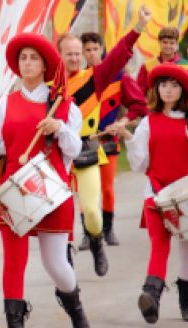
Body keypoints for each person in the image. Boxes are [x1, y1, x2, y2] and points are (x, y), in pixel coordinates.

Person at [0, 32, 90, 328]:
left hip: (51, 190)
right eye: (23, 57)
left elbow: (75, 149)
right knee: (13, 260)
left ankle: (74, 304)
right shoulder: (4, 104)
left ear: (45, 65)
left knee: (55, 264)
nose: (27, 63)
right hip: (14, 190)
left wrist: (60, 129)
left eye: (33, 57)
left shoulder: (63, 105)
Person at [123, 64, 188, 324]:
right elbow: (140, 165)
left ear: (183, 91)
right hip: (156, 194)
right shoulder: (147, 122)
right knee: (159, 244)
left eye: (175, 85)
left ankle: (187, 304)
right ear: (156, 89)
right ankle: (151, 298)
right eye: (164, 85)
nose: (168, 90)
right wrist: (129, 139)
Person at [57, 5, 151, 276]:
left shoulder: (96, 78)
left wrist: (139, 27)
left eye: (79, 53)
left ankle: (97, 240)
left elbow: (120, 54)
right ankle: (65, 259)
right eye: (71, 54)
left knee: (91, 211)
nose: (76, 58)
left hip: (87, 150)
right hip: (58, 155)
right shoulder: (52, 84)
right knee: (61, 215)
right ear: (60, 56)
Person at [78, 31, 148, 249]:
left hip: (108, 140)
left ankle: (108, 230)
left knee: (106, 188)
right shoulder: (78, 79)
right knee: (86, 190)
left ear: (102, 50)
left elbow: (139, 105)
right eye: (87, 50)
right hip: (85, 144)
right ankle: (89, 234)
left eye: (95, 49)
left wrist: (123, 122)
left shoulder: (120, 77)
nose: (91, 54)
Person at [136, 26, 188, 93]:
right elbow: (140, 92)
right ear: (159, 42)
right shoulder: (147, 66)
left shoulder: (187, 67)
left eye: (172, 43)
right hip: (152, 103)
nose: (168, 46)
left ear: (176, 45)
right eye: (165, 42)